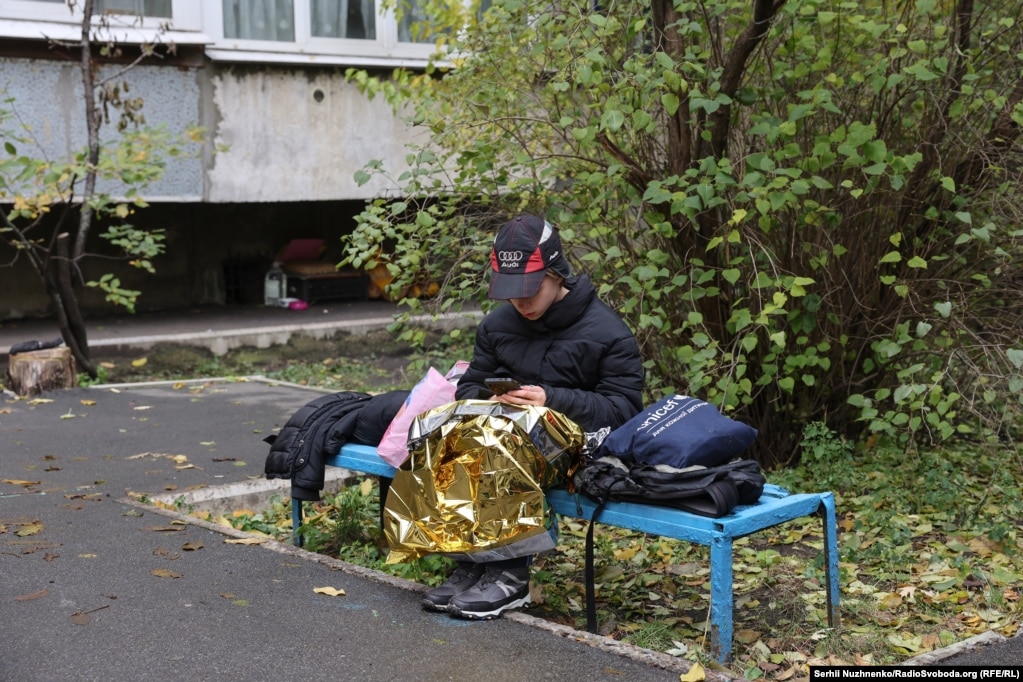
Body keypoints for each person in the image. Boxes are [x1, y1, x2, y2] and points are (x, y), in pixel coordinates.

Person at [421, 213, 645, 620]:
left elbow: (624, 411)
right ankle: (473, 563)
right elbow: (468, 386)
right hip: (506, 437)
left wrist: (550, 399)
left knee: (495, 445)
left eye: (530, 289)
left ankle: (509, 575)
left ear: (557, 273)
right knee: (454, 432)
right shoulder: (497, 325)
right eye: (510, 291)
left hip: (580, 449)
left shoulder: (608, 332)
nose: (520, 302)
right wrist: (494, 402)